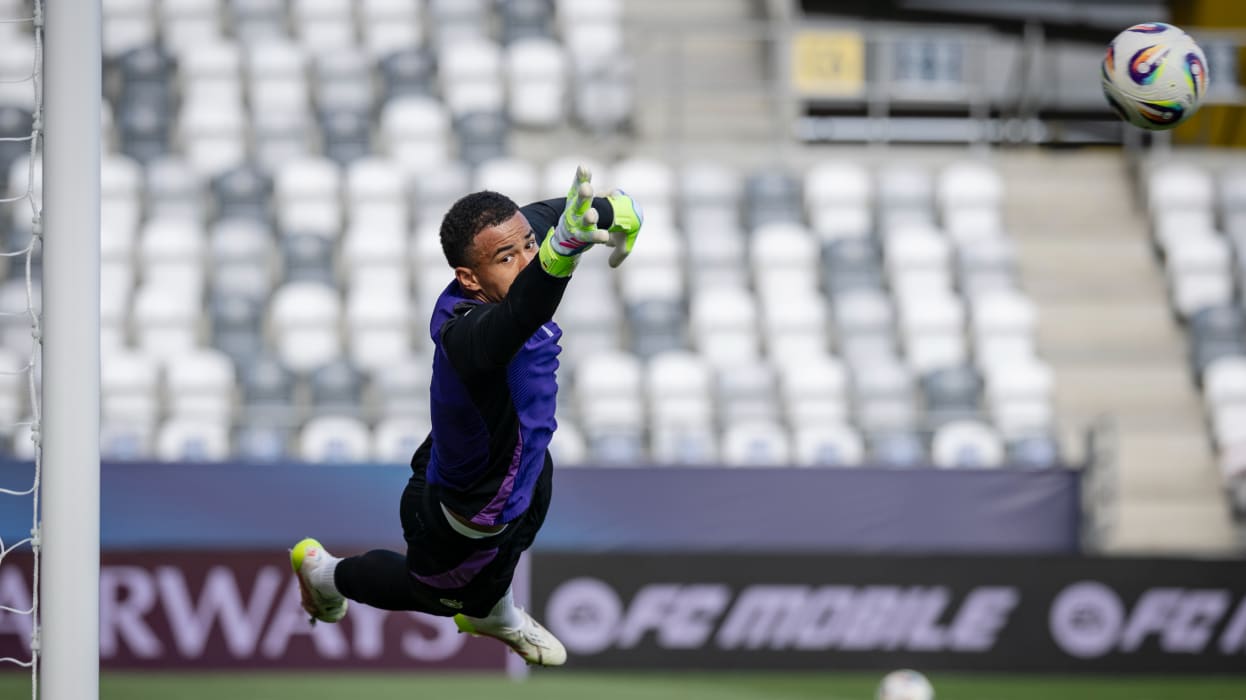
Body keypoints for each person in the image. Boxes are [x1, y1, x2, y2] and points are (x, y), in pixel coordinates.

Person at [288, 166, 642, 667]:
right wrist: (561, 251)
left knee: (534, 482)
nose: (526, 259)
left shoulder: (507, 249)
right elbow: (522, 314)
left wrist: (616, 208)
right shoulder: (469, 336)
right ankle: (325, 575)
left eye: (530, 246)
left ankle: (494, 606)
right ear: (469, 278)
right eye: (507, 257)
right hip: (464, 514)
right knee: (441, 596)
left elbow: (551, 220)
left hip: (490, 459)